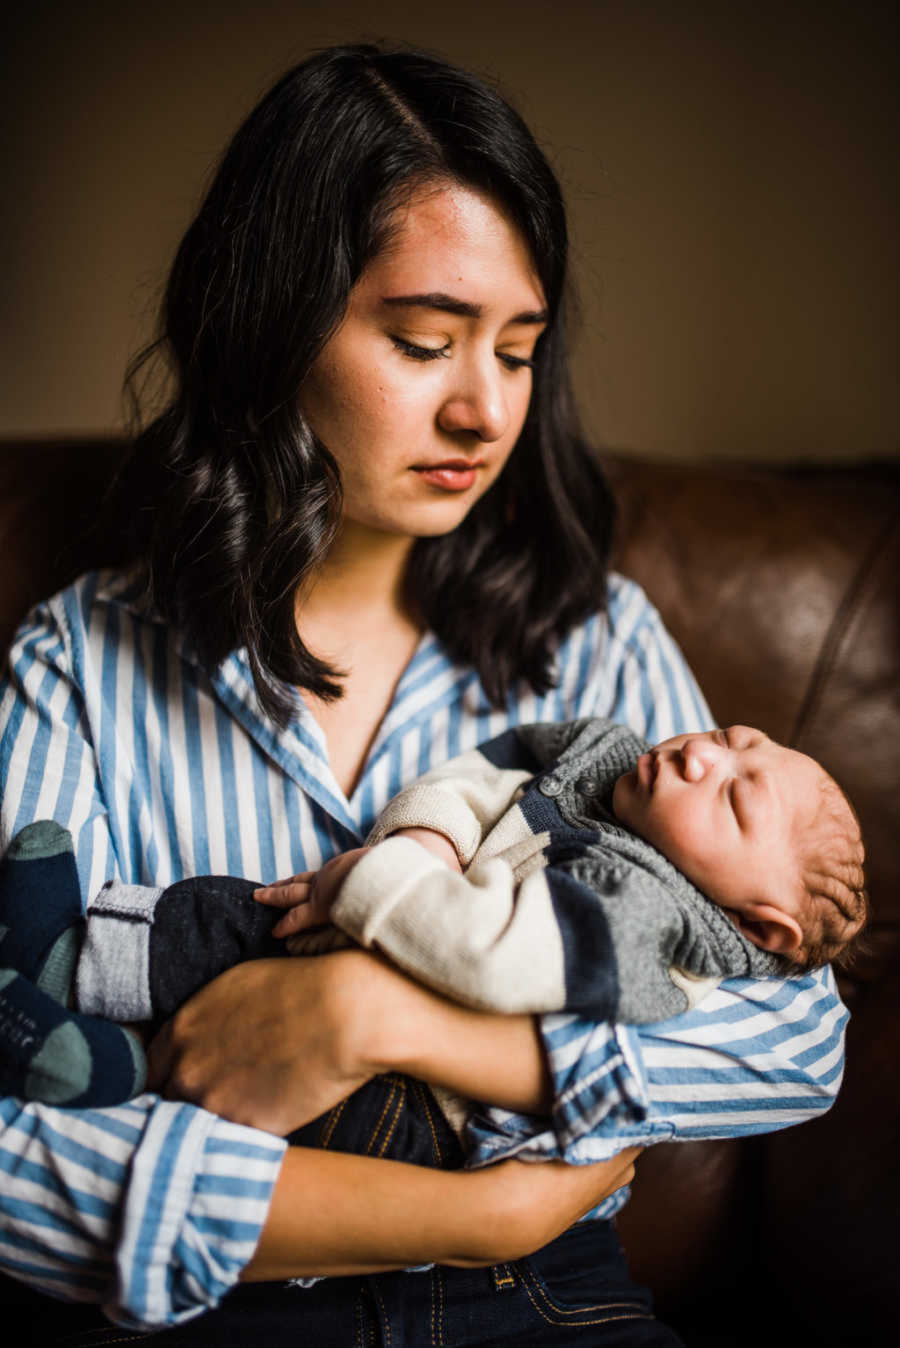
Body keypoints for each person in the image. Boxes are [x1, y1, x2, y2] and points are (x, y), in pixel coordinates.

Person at [0, 43, 849, 1346]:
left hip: (556, 1306)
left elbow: (796, 1043)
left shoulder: (600, 649)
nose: (482, 412)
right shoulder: (82, 663)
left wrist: (375, 1014)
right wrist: (473, 1216)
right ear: (270, 322)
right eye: (422, 340)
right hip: (229, 1311)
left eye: (518, 351)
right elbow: (13, 1150)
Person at [0, 718, 867, 1116]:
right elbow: (479, 779)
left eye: (735, 797)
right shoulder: (605, 772)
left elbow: (495, 954)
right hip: (388, 939)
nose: (706, 754)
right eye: (733, 737)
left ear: (757, 928)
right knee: (240, 915)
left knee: (256, 927)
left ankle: (76, 994)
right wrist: (427, 838)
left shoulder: (650, 922)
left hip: (408, 1105)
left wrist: (373, 889)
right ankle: (85, 1011)